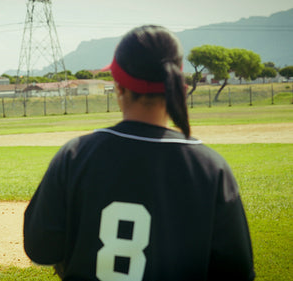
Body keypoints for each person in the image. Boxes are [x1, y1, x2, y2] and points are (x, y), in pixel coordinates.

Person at [23, 25, 255, 280]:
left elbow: (40, 249)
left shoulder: (75, 156)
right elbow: (236, 271)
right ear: (175, 85)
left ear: (119, 87)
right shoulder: (212, 168)